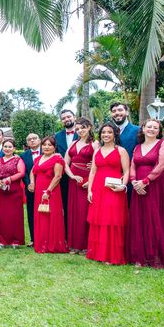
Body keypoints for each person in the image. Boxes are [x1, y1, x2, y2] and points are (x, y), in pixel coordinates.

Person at [127, 119, 164, 268]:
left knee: (157, 219)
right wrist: (134, 181)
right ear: (143, 128)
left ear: (159, 131)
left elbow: (161, 165)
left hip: (156, 186)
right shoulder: (137, 146)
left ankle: (157, 256)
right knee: (141, 219)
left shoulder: (163, 144)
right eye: (149, 127)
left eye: (155, 128)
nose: (152, 129)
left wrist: (145, 181)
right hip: (138, 187)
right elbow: (132, 165)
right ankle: (141, 256)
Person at [86, 122, 129, 265]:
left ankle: (112, 255)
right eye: (103, 132)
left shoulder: (121, 150)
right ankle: (98, 253)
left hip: (113, 189)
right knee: (99, 219)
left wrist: (123, 186)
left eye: (109, 132)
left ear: (114, 134)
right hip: (98, 188)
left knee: (112, 220)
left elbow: (127, 171)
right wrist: (89, 190)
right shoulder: (97, 151)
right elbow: (92, 171)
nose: (106, 135)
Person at [64, 118, 98, 254]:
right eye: (77, 129)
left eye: (83, 127)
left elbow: (98, 164)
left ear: (89, 127)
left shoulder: (95, 144)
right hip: (74, 180)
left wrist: (90, 181)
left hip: (86, 180)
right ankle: (74, 245)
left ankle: (85, 245)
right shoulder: (73, 143)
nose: (80, 131)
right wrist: (71, 176)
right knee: (73, 211)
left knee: (84, 212)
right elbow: (65, 162)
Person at [29, 137, 68, 254]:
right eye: (44, 145)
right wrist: (32, 182)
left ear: (54, 147)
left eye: (49, 145)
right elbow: (32, 171)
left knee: (51, 215)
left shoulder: (57, 159)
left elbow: (58, 176)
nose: (46, 147)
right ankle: (42, 243)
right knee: (41, 215)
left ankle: (53, 244)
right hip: (39, 191)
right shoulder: (38, 158)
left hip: (51, 191)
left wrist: (48, 191)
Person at [0, 139, 26, 248]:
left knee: (15, 216)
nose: (7, 149)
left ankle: (15, 240)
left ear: (14, 148)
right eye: (5, 146)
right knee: (1, 216)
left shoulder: (17, 160)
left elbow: (21, 173)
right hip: (1, 191)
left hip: (14, 191)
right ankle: (2, 240)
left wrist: (9, 179)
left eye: (10, 147)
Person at [55, 109, 78, 227]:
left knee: (79, 206)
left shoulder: (83, 133)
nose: (66, 119)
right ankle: (66, 235)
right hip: (63, 176)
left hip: (80, 174)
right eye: (63, 118)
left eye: (68, 117)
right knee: (64, 204)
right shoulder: (57, 136)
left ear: (74, 117)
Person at [21, 133, 41, 246]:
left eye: (34, 138)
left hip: (46, 186)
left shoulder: (49, 150)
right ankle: (33, 239)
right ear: (27, 142)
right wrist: (28, 184)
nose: (32, 141)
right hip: (30, 189)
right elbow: (24, 172)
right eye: (29, 139)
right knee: (31, 212)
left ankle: (45, 237)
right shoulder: (24, 156)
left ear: (39, 140)